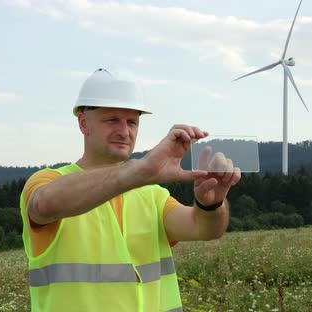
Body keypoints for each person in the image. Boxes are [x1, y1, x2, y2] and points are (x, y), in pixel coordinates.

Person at [20, 68, 241, 311]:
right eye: (112, 120)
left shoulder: (152, 195)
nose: (124, 131)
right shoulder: (47, 181)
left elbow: (205, 228)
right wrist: (141, 169)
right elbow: (45, 205)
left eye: (132, 122)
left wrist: (211, 203)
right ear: (84, 123)